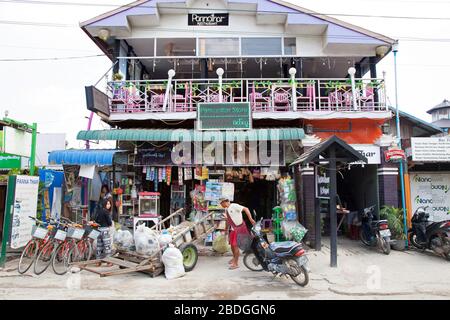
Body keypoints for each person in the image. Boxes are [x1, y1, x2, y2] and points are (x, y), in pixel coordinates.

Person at [219, 197, 256, 270]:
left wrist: (250, 218)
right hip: (233, 229)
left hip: (239, 228)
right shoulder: (227, 209)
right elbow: (228, 220)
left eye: (221, 203)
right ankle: (234, 258)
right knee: (232, 245)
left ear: (225, 202)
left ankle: (236, 263)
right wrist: (226, 229)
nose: (221, 205)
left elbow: (246, 209)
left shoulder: (234, 206)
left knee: (235, 246)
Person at [94, 198, 113, 267]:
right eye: (108, 204)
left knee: (99, 246)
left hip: (99, 231)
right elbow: (109, 222)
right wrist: (110, 224)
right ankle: (109, 262)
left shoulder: (99, 211)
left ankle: (98, 262)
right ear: (105, 204)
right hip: (105, 231)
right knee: (107, 246)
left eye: (109, 204)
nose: (109, 205)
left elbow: (95, 220)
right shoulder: (106, 212)